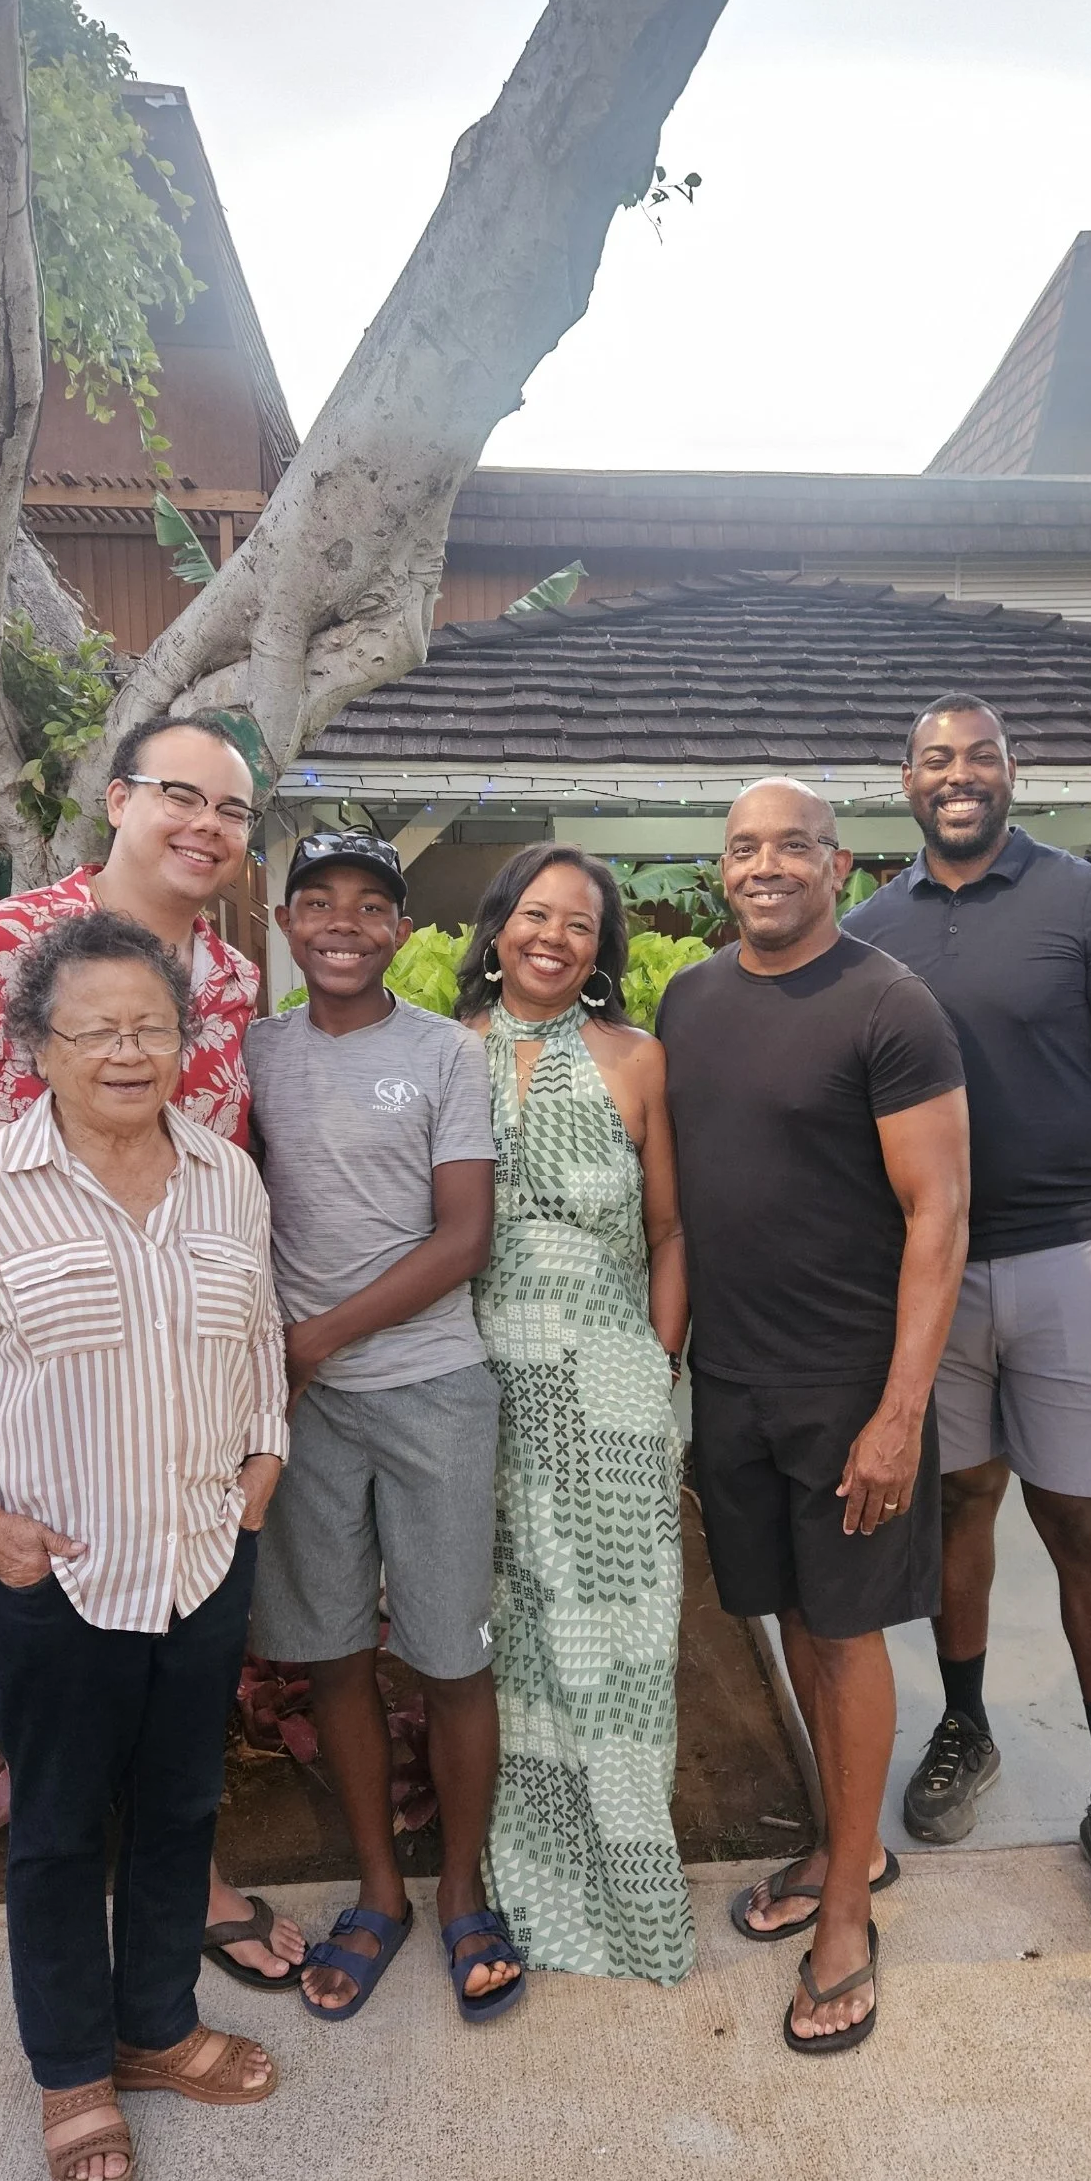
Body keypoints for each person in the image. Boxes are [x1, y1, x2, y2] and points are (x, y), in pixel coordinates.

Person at [0, 710, 307, 1988]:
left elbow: (230, 1185)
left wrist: (261, 1432)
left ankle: (175, 1893)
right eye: (180, 795)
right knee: (61, 1669)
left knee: (181, 1684)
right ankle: (75, 1967)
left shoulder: (232, 980)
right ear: (117, 799)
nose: (206, 825)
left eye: (232, 809)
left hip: (179, 1371)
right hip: (35, 1359)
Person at [0, 914, 288, 2181]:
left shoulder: (227, 1177)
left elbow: (258, 1336)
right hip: (56, 1576)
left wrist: (264, 1455)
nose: (127, 1051)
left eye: (150, 1026)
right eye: (94, 1029)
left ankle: (155, 2028)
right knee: (54, 1831)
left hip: (203, 1556)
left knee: (180, 1809)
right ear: (37, 1048)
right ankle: (71, 2071)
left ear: (185, 1039)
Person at [848, 694, 1091, 1942]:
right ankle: (966, 1723)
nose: (960, 775)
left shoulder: (1089, 901)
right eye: (936, 758)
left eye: (981, 756)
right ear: (905, 779)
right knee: (958, 1506)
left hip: (1071, 1259)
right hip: (929, 1275)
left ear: (1011, 772)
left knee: (1086, 1524)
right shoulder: (869, 928)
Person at [658, 781, 968, 2051]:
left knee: (844, 1635)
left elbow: (940, 1215)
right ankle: (847, 1844)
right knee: (788, 1616)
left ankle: (848, 1907)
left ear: (838, 865)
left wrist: (899, 1413)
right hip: (733, 1380)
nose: (767, 864)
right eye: (745, 847)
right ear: (722, 868)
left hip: (847, 1386)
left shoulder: (891, 1005)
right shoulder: (690, 1000)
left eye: (793, 844)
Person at [244, 829, 522, 2024]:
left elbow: (464, 1238)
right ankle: (378, 1890)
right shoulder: (255, 1052)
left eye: (370, 905)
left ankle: (460, 1887)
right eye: (318, 902)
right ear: (286, 924)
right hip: (306, 1414)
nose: (343, 924)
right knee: (332, 1655)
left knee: (452, 1655)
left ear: (402, 931)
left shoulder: (445, 1053)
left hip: (431, 1388)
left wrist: (315, 1338)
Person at [459, 845, 695, 1985]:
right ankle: (528, 1889)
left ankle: (633, 1895)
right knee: (512, 1641)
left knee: (619, 1645)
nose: (554, 938)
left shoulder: (638, 1061)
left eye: (580, 924)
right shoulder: (442, 1050)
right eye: (535, 915)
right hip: (474, 1389)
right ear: (498, 926)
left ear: (602, 950)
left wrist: (659, 1365)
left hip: (610, 1395)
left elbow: (670, 1232)